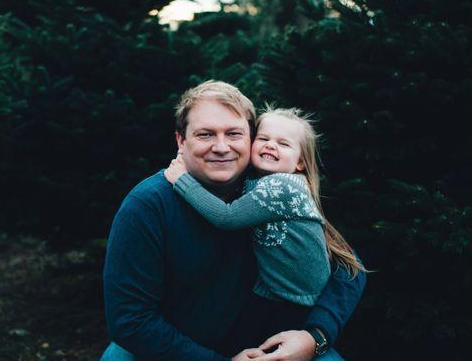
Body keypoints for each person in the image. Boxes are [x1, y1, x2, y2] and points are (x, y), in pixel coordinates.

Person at [102, 81, 366, 361]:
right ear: (181, 140)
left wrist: (315, 336)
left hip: (267, 344)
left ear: (251, 138)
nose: (221, 147)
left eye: (234, 134)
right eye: (205, 134)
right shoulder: (148, 204)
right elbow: (130, 320)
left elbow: (348, 265)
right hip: (177, 350)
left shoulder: (267, 190)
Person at [162, 106, 366, 346]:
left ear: (300, 162)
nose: (271, 145)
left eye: (283, 143)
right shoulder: (256, 180)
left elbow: (227, 218)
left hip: (297, 301)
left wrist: (183, 181)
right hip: (271, 290)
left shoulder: (283, 186)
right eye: (264, 139)